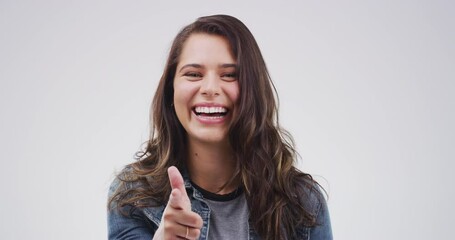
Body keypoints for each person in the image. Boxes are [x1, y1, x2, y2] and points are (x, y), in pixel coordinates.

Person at [107, 14, 332, 240]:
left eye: (230, 75)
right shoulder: (133, 195)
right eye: (194, 74)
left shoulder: (303, 201)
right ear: (170, 90)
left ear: (254, 91)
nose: (210, 88)